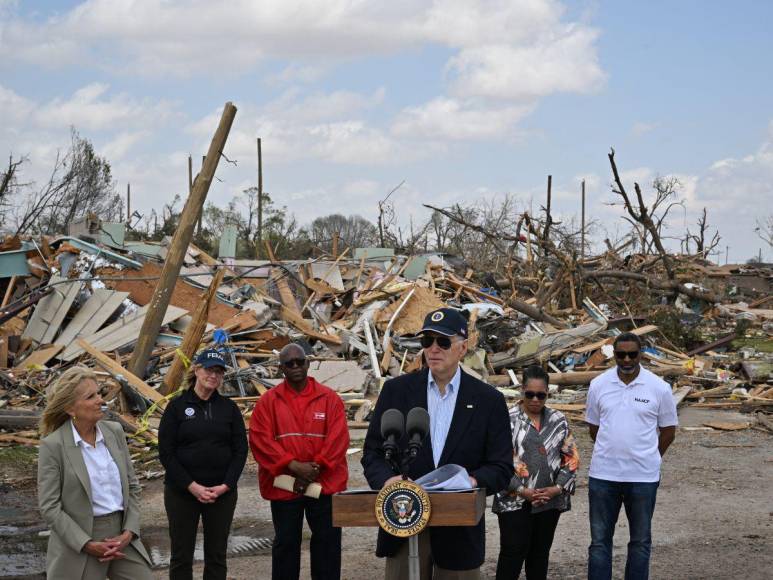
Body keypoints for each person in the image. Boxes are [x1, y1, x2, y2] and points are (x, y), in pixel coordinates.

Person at [362, 307, 513, 579]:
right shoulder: (396, 392)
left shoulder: (488, 401)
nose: (433, 349)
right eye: (426, 341)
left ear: (463, 347)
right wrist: (385, 481)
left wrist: (472, 481)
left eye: (443, 342)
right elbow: (373, 452)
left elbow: (502, 466)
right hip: (403, 518)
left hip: (459, 529)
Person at [37, 366, 153, 580]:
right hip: (80, 542)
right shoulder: (53, 446)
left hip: (122, 536)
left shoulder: (114, 432)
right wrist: (86, 544)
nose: (101, 400)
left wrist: (129, 532)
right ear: (71, 409)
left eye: (99, 393)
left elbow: (133, 486)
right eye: (91, 396)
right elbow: (49, 507)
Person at [249, 343, 349, 580]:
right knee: (286, 544)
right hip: (286, 486)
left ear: (308, 363)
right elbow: (260, 440)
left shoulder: (329, 399)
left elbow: (339, 438)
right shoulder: (268, 402)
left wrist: (318, 466)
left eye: (299, 362)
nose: (295, 367)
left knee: (327, 543)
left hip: (323, 485)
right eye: (289, 363)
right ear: (281, 368)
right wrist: (293, 466)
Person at [585, 332, 678, 580]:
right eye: (620, 354)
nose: (626, 359)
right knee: (599, 543)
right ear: (613, 355)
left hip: (643, 478)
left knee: (640, 542)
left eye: (632, 354)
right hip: (603, 476)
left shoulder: (659, 388)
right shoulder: (598, 385)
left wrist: (650, 458)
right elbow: (594, 428)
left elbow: (669, 431)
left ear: (641, 355)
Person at [158, 349, 248, 580]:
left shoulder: (229, 408)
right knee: (181, 555)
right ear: (197, 370)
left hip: (221, 495)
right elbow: (166, 453)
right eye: (209, 369)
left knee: (216, 554)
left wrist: (226, 485)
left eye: (219, 371)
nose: (213, 375)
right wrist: (192, 486)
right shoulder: (176, 407)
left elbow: (240, 451)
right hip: (182, 493)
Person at [492, 365, 580, 580]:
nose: (535, 400)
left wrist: (557, 488)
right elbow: (497, 461)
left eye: (541, 395)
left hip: (549, 500)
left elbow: (571, 458)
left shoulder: (558, 420)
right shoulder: (506, 419)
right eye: (530, 394)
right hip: (514, 499)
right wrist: (522, 490)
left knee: (539, 556)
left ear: (548, 393)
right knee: (512, 554)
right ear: (522, 391)